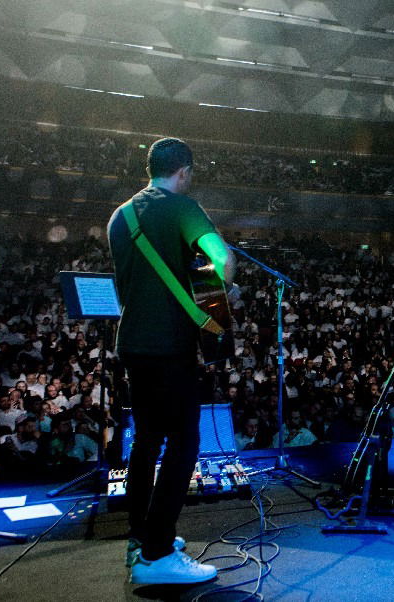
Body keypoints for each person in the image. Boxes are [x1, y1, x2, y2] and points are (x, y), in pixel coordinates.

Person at [108, 137, 236, 585]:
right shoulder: (183, 206)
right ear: (183, 171)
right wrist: (222, 295)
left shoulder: (119, 217)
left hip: (134, 344)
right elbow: (222, 258)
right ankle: (158, 554)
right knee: (184, 443)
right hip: (170, 346)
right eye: (191, 174)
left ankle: (140, 538)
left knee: (145, 442)